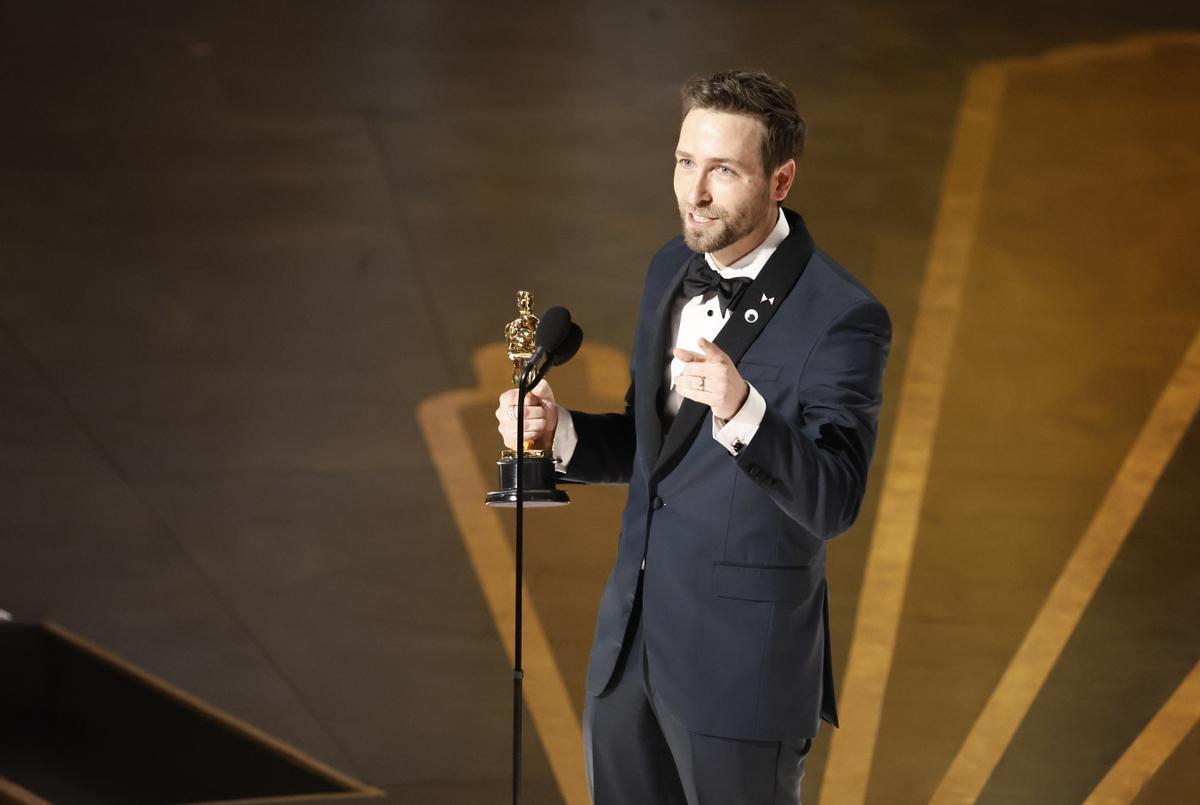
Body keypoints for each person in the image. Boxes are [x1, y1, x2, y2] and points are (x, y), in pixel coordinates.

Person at [495, 69, 891, 805]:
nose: (694, 192)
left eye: (723, 170)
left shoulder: (843, 317)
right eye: (685, 162)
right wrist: (560, 434)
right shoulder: (670, 268)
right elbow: (659, 454)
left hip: (741, 678)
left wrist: (744, 410)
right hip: (628, 658)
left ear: (781, 179)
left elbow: (835, 500)